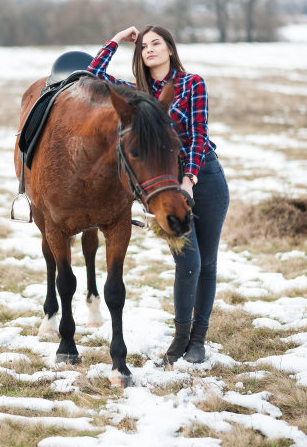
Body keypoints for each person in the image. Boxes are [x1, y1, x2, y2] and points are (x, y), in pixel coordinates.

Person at [87, 25, 229, 365]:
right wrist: (117, 40)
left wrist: (190, 180)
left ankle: (197, 340)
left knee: (206, 264)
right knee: (188, 263)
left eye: (156, 43)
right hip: (164, 185)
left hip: (203, 176)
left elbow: (197, 136)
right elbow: (93, 76)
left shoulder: (192, 83)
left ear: (170, 49)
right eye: (145, 46)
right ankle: (179, 340)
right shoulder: (138, 93)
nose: (149, 49)